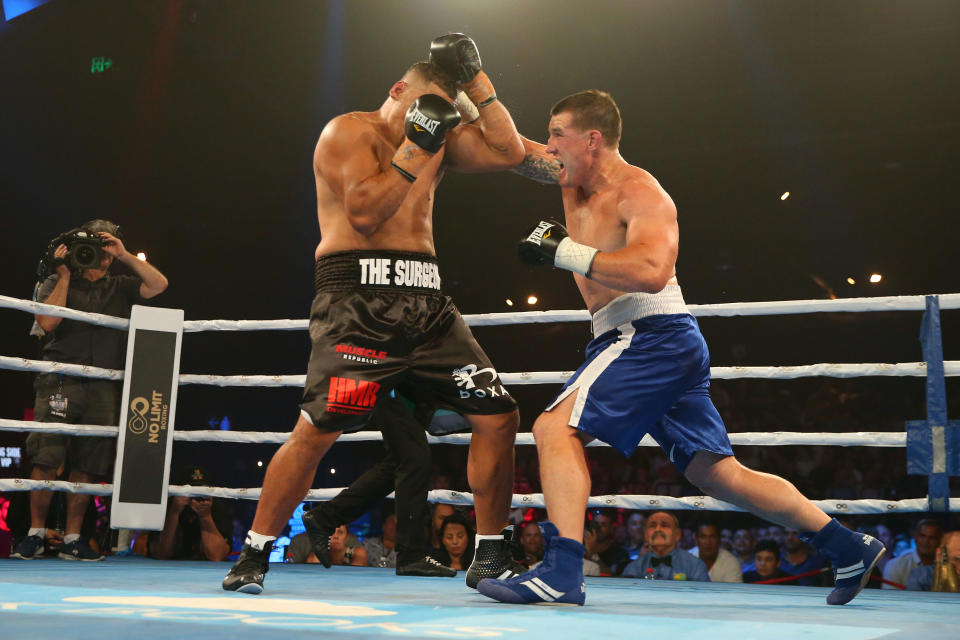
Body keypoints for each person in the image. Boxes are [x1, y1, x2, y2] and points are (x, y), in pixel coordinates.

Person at [476, 90, 885, 606]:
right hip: (650, 340)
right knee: (715, 473)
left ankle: (561, 571)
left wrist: (566, 252)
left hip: (649, 334)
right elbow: (512, 149)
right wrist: (473, 87)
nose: (550, 144)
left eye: (558, 133)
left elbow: (651, 271)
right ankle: (845, 544)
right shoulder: (568, 175)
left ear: (592, 140)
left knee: (553, 427)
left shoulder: (641, 193)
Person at [222, 34, 526, 594]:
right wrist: (417, 143)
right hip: (359, 309)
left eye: (444, 112)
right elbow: (363, 213)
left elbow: (511, 152)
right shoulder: (347, 131)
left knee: (498, 414)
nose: (437, 120)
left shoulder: (440, 141)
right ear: (399, 91)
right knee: (319, 431)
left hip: (429, 309)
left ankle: (489, 553)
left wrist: (477, 85)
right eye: (428, 107)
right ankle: (255, 554)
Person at [12, 220, 168, 562]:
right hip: (60, 379)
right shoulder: (56, 279)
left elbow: (159, 284)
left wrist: (125, 255)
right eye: (93, 250)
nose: (99, 257)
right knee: (46, 457)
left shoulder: (122, 286)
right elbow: (48, 322)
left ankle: (72, 538)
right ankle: (35, 534)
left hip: (102, 384)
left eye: (104, 249)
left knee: (88, 463)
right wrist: (66, 274)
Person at [298, 396, 455, 577]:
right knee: (414, 459)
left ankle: (324, 517)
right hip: (392, 382)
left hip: (398, 386)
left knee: (400, 462)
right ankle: (411, 555)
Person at [132, 465, 232, 561]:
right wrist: (174, 513)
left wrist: (205, 516)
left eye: (201, 491)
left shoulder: (216, 508)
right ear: (178, 491)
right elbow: (161, 553)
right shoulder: (167, 506)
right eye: (191, 491)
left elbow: (217, 557)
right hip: (167, 570)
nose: (195, 496)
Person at [621, 511, 710, 581]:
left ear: (677, 534)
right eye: (652, 525)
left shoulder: (695, 566)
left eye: (664, 525)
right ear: (646, 534)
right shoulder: (634, 568)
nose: (658, 529)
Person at [882, 518, 942, 589]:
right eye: (922, 536)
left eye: (932, 538)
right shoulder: (895, 565)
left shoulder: (945, 565)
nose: (926, 541)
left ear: (939, 541)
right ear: (915, 537)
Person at [287, 525, 367, 566]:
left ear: (346, 537)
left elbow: (355, 576)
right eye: (331, 532)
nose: (336, 536)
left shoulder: (357, 552)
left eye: (340, 532)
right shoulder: (318, 553)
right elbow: (313, 575)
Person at [583, 508, 630, 576]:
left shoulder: (619, 553)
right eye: (596, 523)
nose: (598, 527)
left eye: (603, 524)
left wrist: (593, 554)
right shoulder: (581, 546)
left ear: (611, 528)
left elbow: (613, 577)